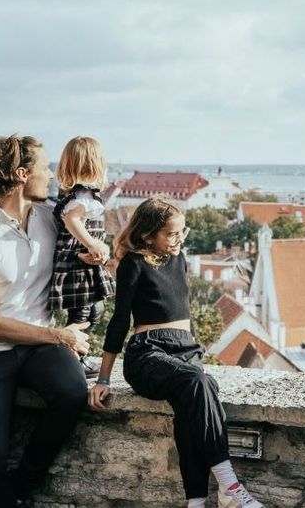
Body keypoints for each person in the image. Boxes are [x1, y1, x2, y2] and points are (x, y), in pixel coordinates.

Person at [88, 199, 264, 508]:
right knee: (199, 380)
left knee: (198, 397)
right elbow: (119, 321)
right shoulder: (133, 263)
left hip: (186, 351)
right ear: (148, 235)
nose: (179, 239)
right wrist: (103, 378)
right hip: (147, 354)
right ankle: (230, 486)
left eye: (182, 231)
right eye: (171, 234)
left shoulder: (179, 259)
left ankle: (195, 502)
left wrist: (190, 352)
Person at [0, 134, 95, 507]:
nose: (51, 175)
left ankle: (22, 487)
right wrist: (57, 335)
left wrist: (97, 253)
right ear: (21, 173)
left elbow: (93, 230)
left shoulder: (52, 217)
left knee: (71, 392)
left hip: (39, 347)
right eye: (45, 168)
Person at [49, 136, 114, 376]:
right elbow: (71, 220)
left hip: (79, 264)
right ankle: (72, 359)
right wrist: (92, 244)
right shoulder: (82, 196)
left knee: (93, 310)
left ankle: (76, 356)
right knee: (83, 313)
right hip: (77, 265)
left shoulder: (73, 194)